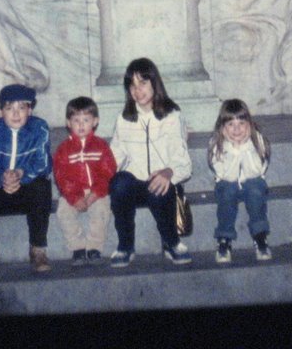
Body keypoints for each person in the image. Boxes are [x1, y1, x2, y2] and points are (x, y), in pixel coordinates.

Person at [107, 58, 193, 267]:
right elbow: (114, 156)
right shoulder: (124, 118)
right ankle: (125, 245)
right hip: (135, 184)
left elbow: (183, 162)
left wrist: (169, 172)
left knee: (158, 183)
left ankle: (172, 242)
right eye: (132, 86)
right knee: (119, 182)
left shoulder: (171, 116)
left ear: (155, 83)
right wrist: (101, 177)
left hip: (162, 184)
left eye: (143, 83)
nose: (138, 90)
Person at [0, 84, 53, 276]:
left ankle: (37, 249)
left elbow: (44, 163)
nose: (15, 114)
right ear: (0, 112)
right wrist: (2, 177)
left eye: (21, 108)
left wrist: (21, 174)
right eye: (9, 108)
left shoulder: (39, 128)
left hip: (25, 190)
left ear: (29, 110)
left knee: (42, 185)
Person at [52, 96, 118, 266]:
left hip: (97, 192)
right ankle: (78, 247)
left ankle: (94, 247)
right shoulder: (63, 150)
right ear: (68, 123)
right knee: (64, 212)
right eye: (76, 120)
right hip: (72, 193)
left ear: (95, 121)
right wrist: (74, 197)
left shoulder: (101, 146)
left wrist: (95, 194)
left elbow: (108, 172)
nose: (81, 125)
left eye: (86, 120)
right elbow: (61, 176)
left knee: (102, 210)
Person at [208, 99, 273, 263]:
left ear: (249, 125)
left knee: (256, 191)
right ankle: (224, 239)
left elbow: (256, 171)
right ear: (222, 128)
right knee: (227, 193)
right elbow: (227, 175)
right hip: (227, 182)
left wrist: (245, 149)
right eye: (230, 124)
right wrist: (235, 151)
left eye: (241, 123)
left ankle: (260, 236)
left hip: (252, 180)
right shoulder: (218, 146)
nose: (236, 129)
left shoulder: (257, 142)